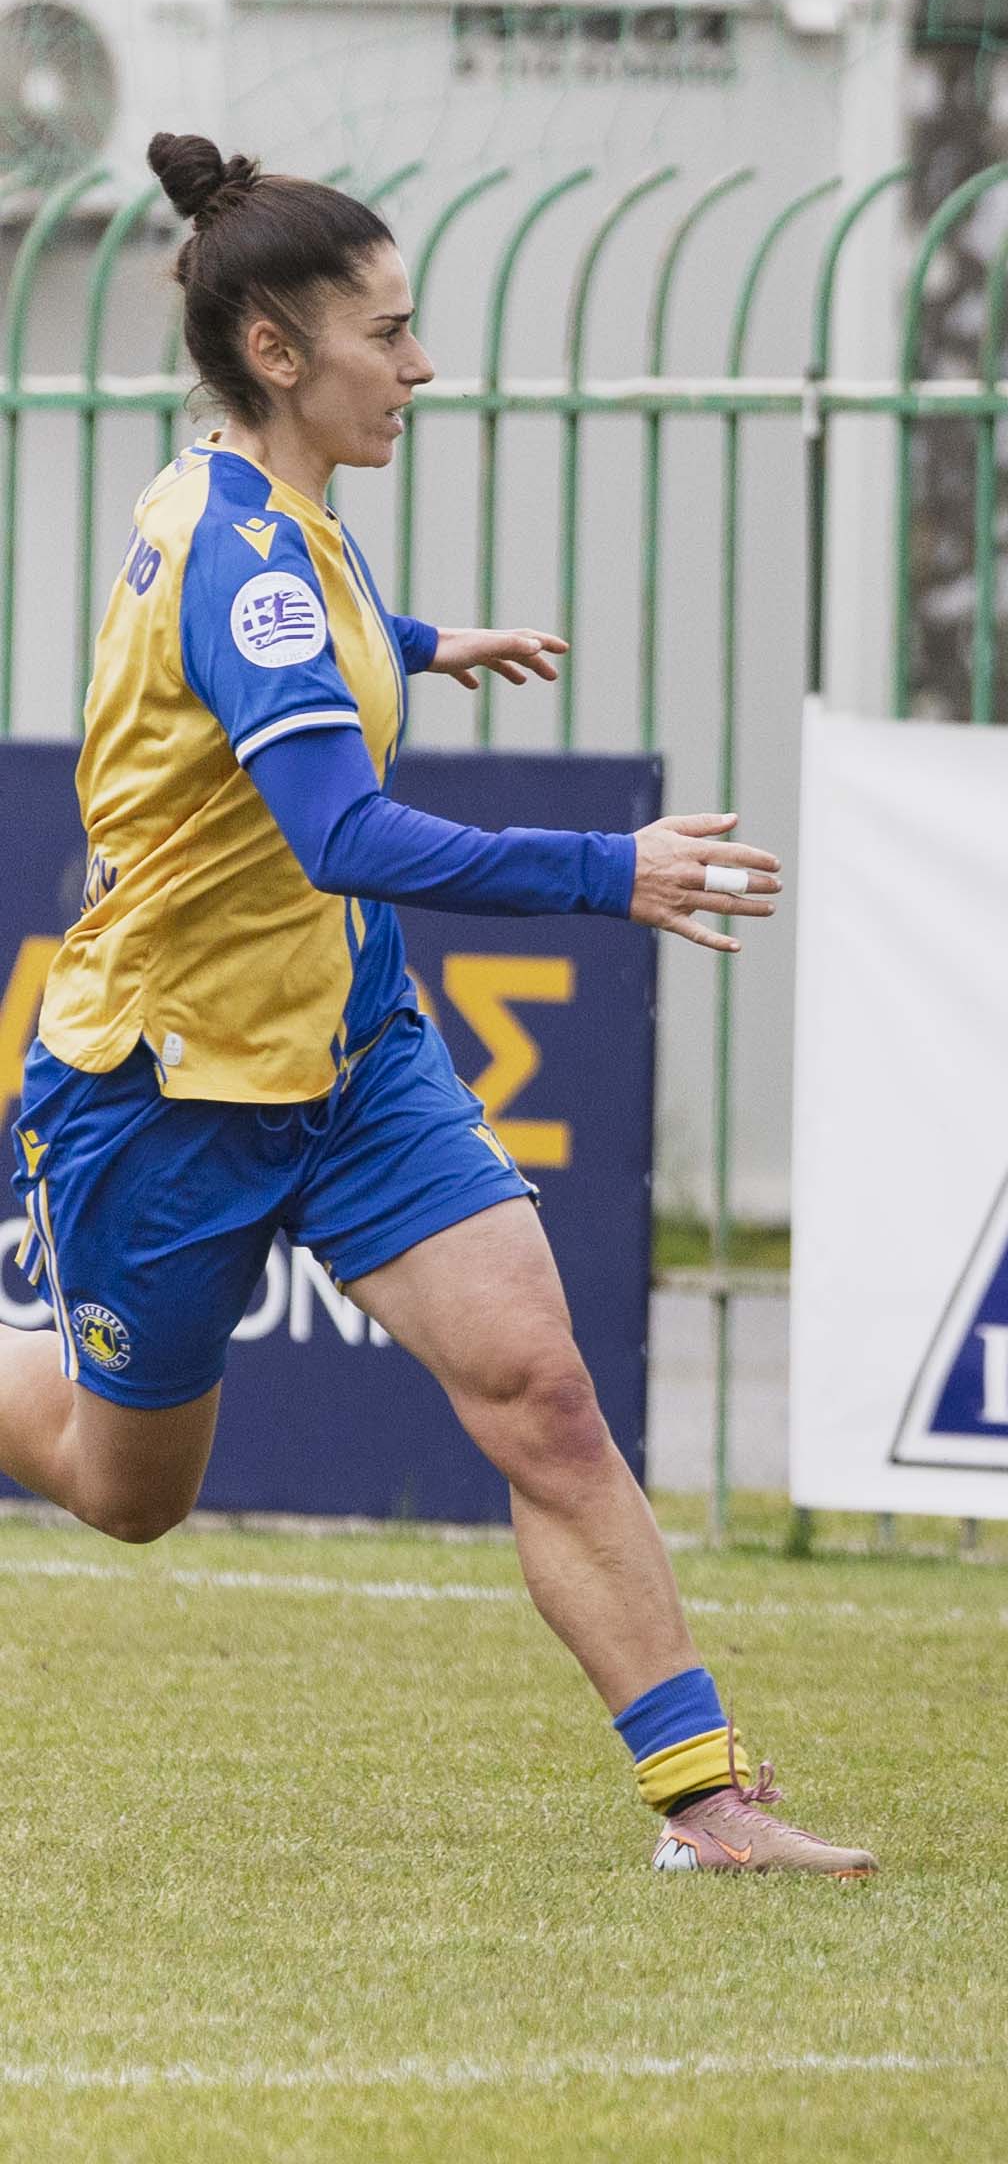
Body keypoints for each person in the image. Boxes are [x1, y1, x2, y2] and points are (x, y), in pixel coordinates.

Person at [3, 133, 870, 1879]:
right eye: (388, 334)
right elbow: (340, 831)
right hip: (167, 1083)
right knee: (128, 1494)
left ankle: (707, 1802)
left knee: (543, 1395)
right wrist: (609, 871)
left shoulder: (266, 515)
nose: (421, 366)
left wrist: (417, 642)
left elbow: (306, 631)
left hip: (353, 1053)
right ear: (276, 352)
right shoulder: (242, 558)